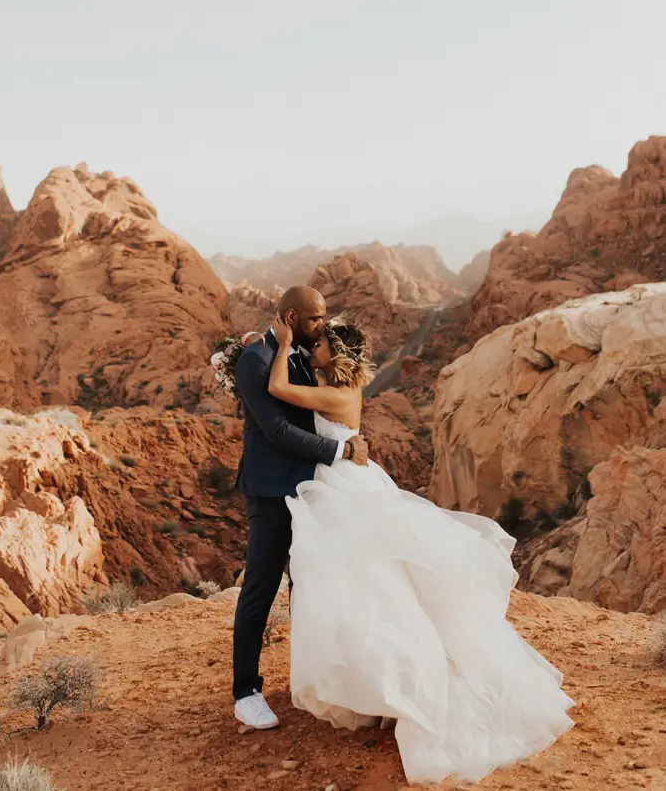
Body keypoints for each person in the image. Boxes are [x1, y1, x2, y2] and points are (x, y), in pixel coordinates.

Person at [265, 312, 574, 786]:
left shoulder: (337, 394)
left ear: (337, 356)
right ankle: (374, 691)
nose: (315, 347)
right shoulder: (338, 386)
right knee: (364, 588)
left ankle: (400, 688)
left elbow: (280, 391)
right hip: (346, 480)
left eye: (321, 344)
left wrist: (282, 346)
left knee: (371, 586)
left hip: (346, 488)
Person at [232, 286, 369, 731]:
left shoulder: (306, 359)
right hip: (272, 491)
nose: (321, 327)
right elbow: (274, 431)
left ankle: (311, 679)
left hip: (316, 490)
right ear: (291, 317)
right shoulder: (254, 361)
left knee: (310, 587)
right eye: (314, 320)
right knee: (261, 586)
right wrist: (341, 452)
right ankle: (246, 692)